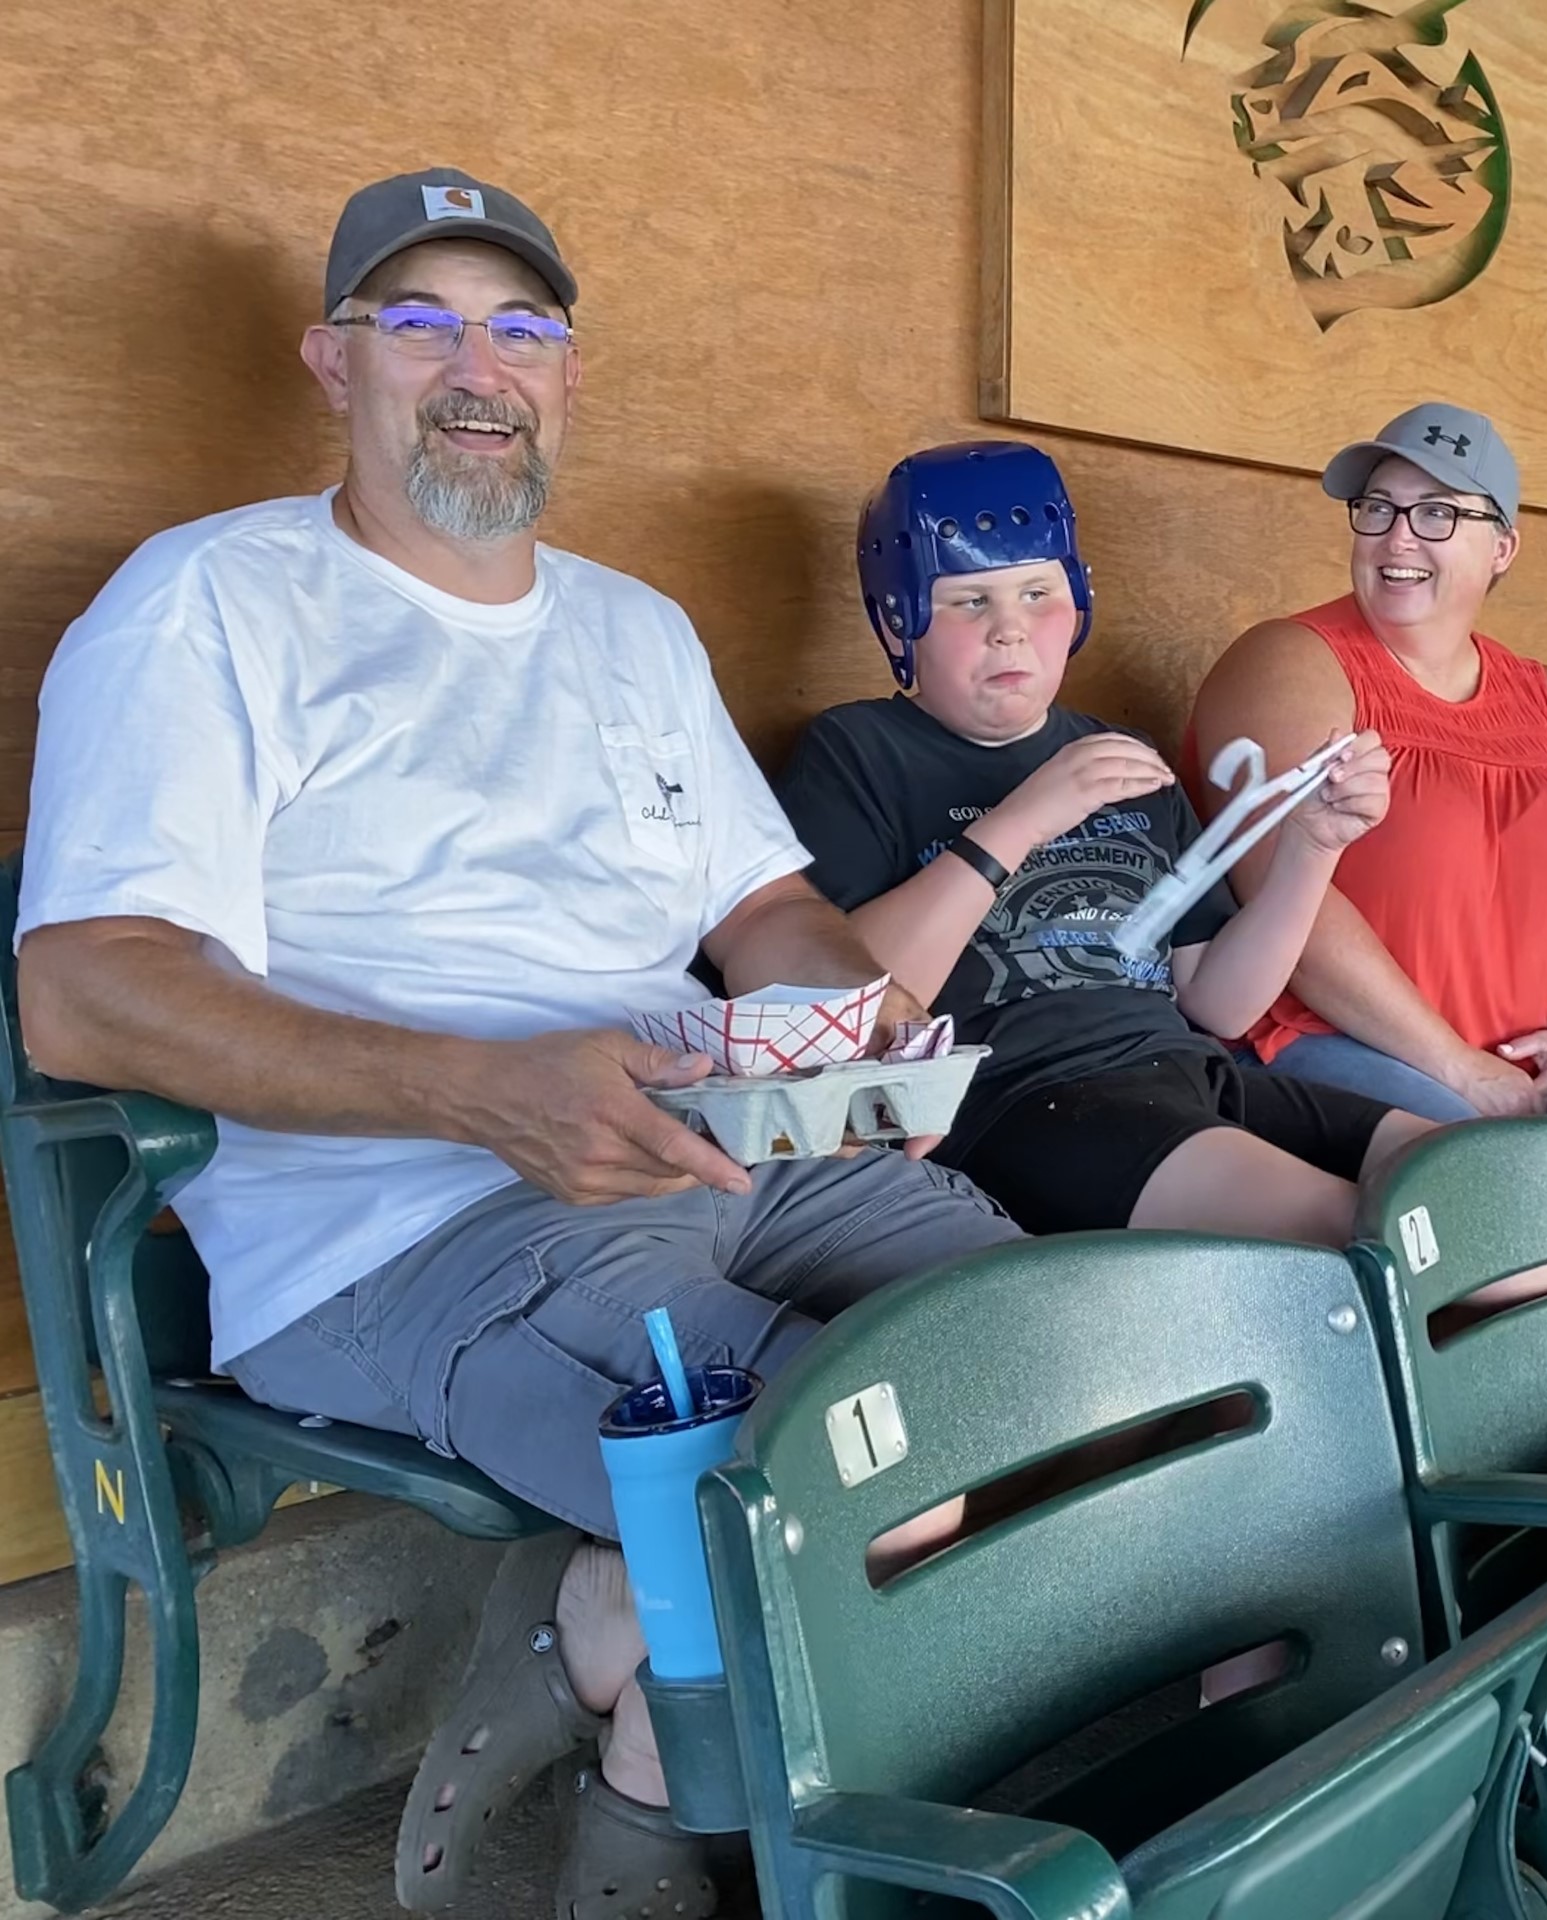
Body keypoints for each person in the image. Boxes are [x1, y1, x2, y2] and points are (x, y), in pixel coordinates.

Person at [11, 171, 1025, 1919]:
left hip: (737, 1146)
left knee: (1067, 1375)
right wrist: (485, 1092)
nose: (478, 364)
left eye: (523, 327)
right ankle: (644, 1824)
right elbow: (82, 990)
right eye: (421, 322)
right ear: (334, 362)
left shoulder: (632, 627)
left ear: (565, 371)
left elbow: (767, 912)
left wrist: (848, 1023)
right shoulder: (209, 605)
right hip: (423, 1221)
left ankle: (596, 1625)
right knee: (878, 1507)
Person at [772, 439, 1438, 1244]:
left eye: (1035, 595)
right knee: (1372, 1232)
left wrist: (1313, 846)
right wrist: (1021, 820)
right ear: (898, 617)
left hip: (1193, 1074)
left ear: (1077, 603)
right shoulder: (857, 750)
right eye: (969, 602)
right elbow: (849, 998)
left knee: (1464, 1188)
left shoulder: (1121, 758)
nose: (1009, 632)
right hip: (1019, 1102)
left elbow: (1220, 1002)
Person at [1183, 402, 1547, 1131]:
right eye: (1379, 508)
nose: (1398, 535)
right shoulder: (1290, 661)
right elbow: (1290, 909)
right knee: (1500, 1184)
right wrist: (1461, 1067)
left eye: (1437, 513)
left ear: (1503, 548)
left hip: (1524, 1050)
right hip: (1340, 1043)